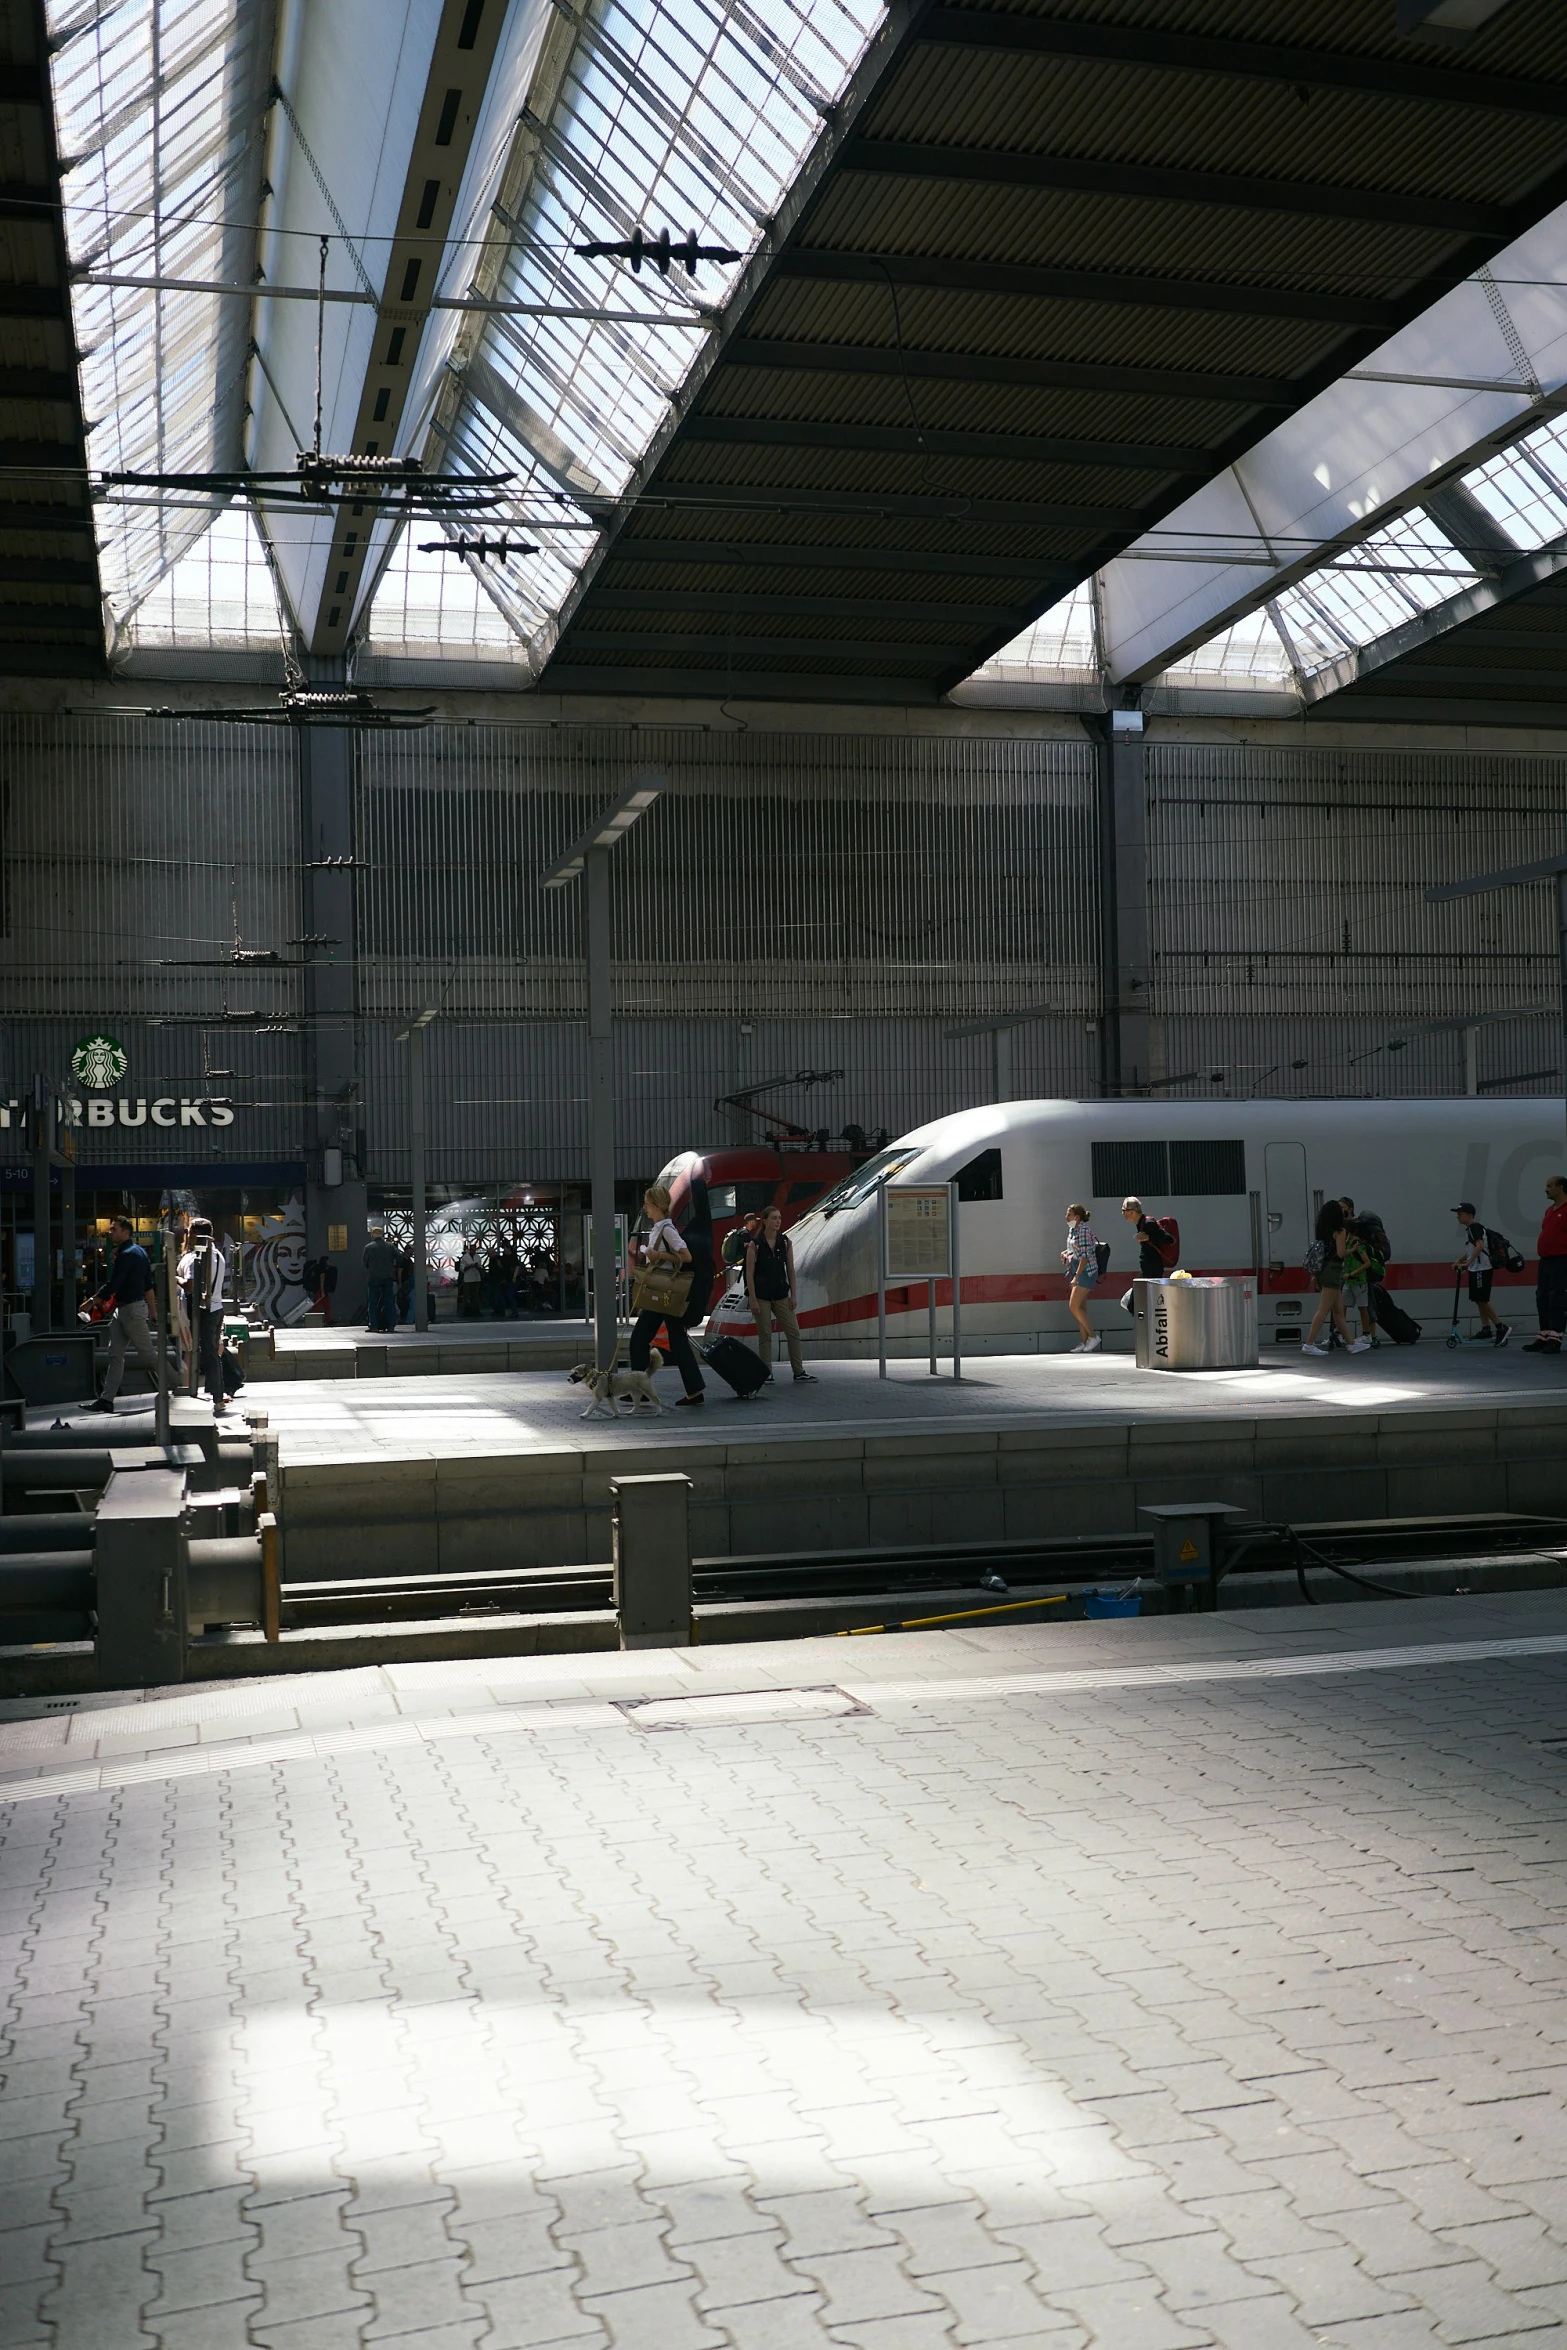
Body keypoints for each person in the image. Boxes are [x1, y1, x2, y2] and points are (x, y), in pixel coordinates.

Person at [628, 1184, 705, 1407]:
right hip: (662, 1293)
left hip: (665, 1293)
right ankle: (693, 1390)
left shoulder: (667, 1230)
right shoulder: (659, 1228)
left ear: (656, 1205)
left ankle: (641, 1389)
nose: (645, 1208)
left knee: (640, 1339)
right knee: (672, 1340)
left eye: (647, 1204)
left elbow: (686, 1256)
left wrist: (656, 1254)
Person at [89, 1214, 161, 1412]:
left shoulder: (128, 1254)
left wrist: (92, 1301)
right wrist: (153, 1311)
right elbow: (148, 1285)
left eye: (114, 1229)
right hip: (124, 1310)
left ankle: (177, 1380)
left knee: (147, 1354)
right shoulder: (137, 1252)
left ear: (125, 1232)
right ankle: (106, 1399)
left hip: (131, 1310)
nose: (110, 1232)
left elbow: (115, 1283)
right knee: (115, 1355)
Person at [746, 1203, 814, 1381]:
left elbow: (790, 1269)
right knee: (765, 1335)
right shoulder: (755, 1244)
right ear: (765, 1220)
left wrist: (794, 1295)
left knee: (793, 1332)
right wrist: (752, 1299)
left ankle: (798, 1371)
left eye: (779, 1218)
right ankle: (767, 1373)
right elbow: (749, 1274)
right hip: (761, 1295)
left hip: (781, 1293)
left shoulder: (785, 1242)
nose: (778, 1221)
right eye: (774, 1218)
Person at [1301, 1201, 1369, 1355]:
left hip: (1324, 1270)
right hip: (1333, 1271)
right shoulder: (1340, 1231)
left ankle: (1351, 1344)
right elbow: (1340, 1254)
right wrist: (1352, 1249)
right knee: (1323, 1309)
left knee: (1338, 1311)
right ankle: (1309, 1344)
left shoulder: (1323, 1230)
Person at [178, 1217, 229, 1414]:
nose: (187, 1235)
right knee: (210, 1352)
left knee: (203, 1352)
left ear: (197, 1234)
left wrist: (177, 1278)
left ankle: (215, 1394)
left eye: (190, 1231)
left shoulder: (195, 1258)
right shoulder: (218, 1255)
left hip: (203, 1311)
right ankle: (216, 1393)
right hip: (216, 1309)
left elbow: (190, 1285)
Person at [1453, 1202, 1508, 1346]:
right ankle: (1486, 1329)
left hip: (1481, 1269)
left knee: (1482, 1299)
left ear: (1470, 1215)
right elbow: (1472, 1249)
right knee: (1479, 1299)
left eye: (1460, 1213)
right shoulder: (1471, 1229)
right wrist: (1460, 1260)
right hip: (1476, 1268)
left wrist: (1468, 1263)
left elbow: (1480, 1246)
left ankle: (1501, 1327)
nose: (1457, 1216)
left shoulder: (1475, 1227)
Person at [1525, 1174, 1567, 1354]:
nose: (1546, 1189)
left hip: (1562, 1260)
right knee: (1542, 1297)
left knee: (1558, 1298)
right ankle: (1543, 1335)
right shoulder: (1550, 1210)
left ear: (1561, 1188)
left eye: (1550, 1186)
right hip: (1546, 1260)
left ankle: (1555, 1338)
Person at [1118, 1196, 1177, 1313]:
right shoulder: (1141, 1224)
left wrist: (1148, 1237)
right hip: (1147, 1270)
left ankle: (1149, 1327)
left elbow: (1169, 1239)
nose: (1122, 1213)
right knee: (1136, 1305)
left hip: (1152, 1271)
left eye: (1123, 1210)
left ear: (1132, 1212)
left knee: (1136, 1305)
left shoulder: (1148, 1223)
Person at [1061, 1203, 1101, 1353]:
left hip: (1085, 1272)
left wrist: (1076, 1277)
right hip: (1076, 1269)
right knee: (1080, 1307)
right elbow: (1075, 1250)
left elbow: (1085, 1256)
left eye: (1069, 1214)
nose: (1066, 1217)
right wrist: (1065, 1253)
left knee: (1073, 1306)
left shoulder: (1083, 1230)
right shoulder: (1073, 1230)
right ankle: (1084, 1342)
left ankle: (1093, 1336)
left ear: (1077, 1217)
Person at [363, 1225, 399, 1332]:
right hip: (388, 1277)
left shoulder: (368, 1247)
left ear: (372, 1235)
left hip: (373, 1277)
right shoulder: (390, 1246)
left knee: (373, 1302)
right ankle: (391, 1325)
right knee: (389, 1301)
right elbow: (399, 1258)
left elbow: (365, 1263)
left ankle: (373, 1325)